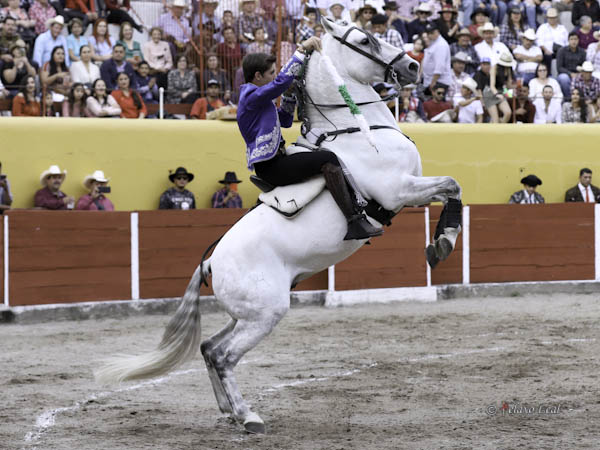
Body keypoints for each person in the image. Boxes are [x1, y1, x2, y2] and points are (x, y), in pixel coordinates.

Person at [237, 39, 382, 240]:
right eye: (271, 73)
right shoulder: (250, 95)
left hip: (275, 161)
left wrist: (289, 96)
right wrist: (301, 51)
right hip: (271, 167)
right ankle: (353, 221)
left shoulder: (258, 100)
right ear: (258, 76)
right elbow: (281, 82)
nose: (274, 76)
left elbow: (285, 121)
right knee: (328, 159)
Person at [422, 22, 453, 95]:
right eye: (429, 33)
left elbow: (440, 66)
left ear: (438, 31)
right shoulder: (433, 42)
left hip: (439, 82)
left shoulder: (441, 45)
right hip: (431, 81)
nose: (430, 35)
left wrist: (433, 82)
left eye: (432, 32)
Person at [556, 31, 586, 98]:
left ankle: (582, 99)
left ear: (578, 40)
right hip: (566, 74)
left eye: (575, 39)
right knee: (564, 78)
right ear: (568, 40)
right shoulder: (561, 51)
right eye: (571, 39)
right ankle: (568, 98)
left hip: (579, 74)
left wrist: (579, 73)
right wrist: (570, 74)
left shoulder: (582, 52)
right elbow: (559, 67)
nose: (573, 41)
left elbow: (584, 66)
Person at [489, 52, 516, 123]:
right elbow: (492, 86)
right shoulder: (494, 68)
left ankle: (500, 129)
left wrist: (512, 91)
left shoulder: (509, 70)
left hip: (501, 91)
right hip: (490, 92)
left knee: (508, 113)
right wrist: (497, 94)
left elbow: (508, 86)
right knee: (495, 119)